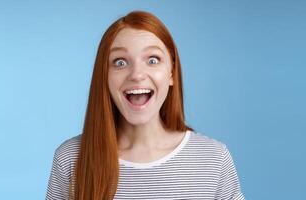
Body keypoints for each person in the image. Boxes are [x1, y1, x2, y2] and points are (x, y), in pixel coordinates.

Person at [46, 10, 245, 200]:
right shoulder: (70, 159)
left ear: (171, 74)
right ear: (104, 77)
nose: (137, 75)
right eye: (120, 62)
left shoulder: (214, 159)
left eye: (152, 59)